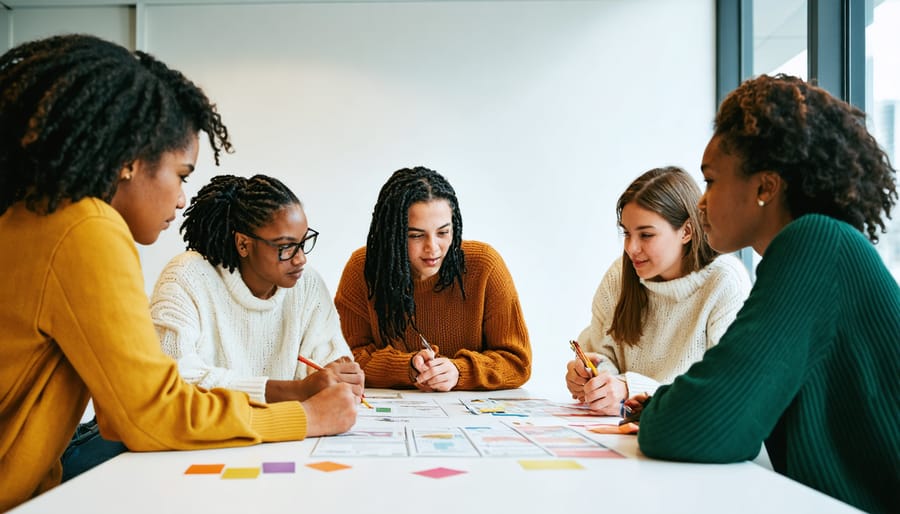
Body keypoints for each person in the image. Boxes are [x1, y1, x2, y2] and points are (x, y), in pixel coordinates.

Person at [0, 34, 356, 512]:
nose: (183, 197)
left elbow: (123, 410)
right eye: (181, 174)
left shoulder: (39, 215)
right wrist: (304, 416)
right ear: (128, 161)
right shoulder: (87, 228)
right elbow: (150, 415)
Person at [636, 74, 899, 514]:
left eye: (711, 181)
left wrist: (662, 409)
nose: (700, 203)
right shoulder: (814, 248)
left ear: (765, 187)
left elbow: (696, 426)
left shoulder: (814, 244)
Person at [150, 174, 364, 404]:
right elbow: (174, 381)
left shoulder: (306, 284)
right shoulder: (186, 277)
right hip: (212, 437)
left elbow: (329, 362)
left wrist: (340, 376)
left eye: (303, 243)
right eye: (286, 247)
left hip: (292, 436)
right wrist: (298, 390)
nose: (300, 259)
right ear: (243, 244)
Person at [565, 167, 751, 415]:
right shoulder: (620, 275)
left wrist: (630, 389)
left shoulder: (725, 281)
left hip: (687, 434)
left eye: (646, 235)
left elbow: (725, 387)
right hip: (625, 429)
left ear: (686, 231)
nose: (631, 248)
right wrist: (594, 378)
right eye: (627, 233)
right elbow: (601, 354)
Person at [334, 166, 531, 391]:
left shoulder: (485, 265)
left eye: (443, 232)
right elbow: (346, 360)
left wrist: (459, 371)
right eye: (416, 235)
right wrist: (406, 367)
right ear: (391, 235)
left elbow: (518, 363)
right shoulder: (362, 268)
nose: (433, 248)